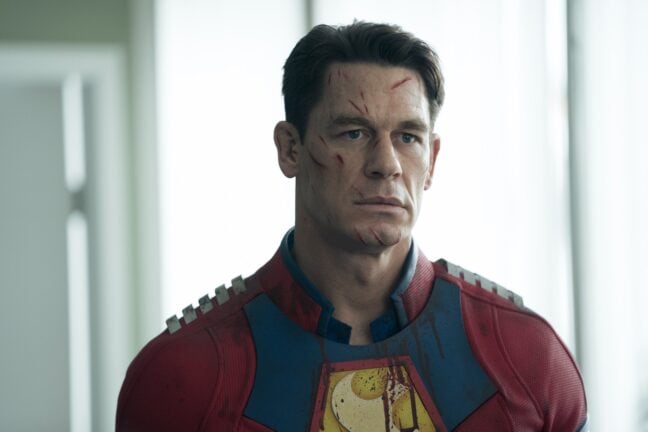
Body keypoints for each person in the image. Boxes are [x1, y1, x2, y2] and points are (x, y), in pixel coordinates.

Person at [116, 22, 588, 431]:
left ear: (431, 160)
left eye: (408, 137)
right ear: (291, 149)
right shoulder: (183, 375)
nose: (387, 164)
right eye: (354, 133)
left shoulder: (528, 357)